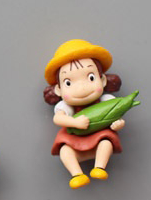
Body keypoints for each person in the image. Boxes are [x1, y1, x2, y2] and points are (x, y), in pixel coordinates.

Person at [43, 39, 125, 189]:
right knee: (65, 151)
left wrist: (118, 124)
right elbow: (58, 118)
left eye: (91, 77)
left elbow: (115, 114)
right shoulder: (66, 106)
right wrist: (74, 122)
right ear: (58, 90)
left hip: (99, 136)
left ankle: (99, 167)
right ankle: (77, 174)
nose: (81, 88)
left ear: (103, 79)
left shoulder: (106, 100)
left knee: (106, 143)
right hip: (74, 138)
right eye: (68, 83)